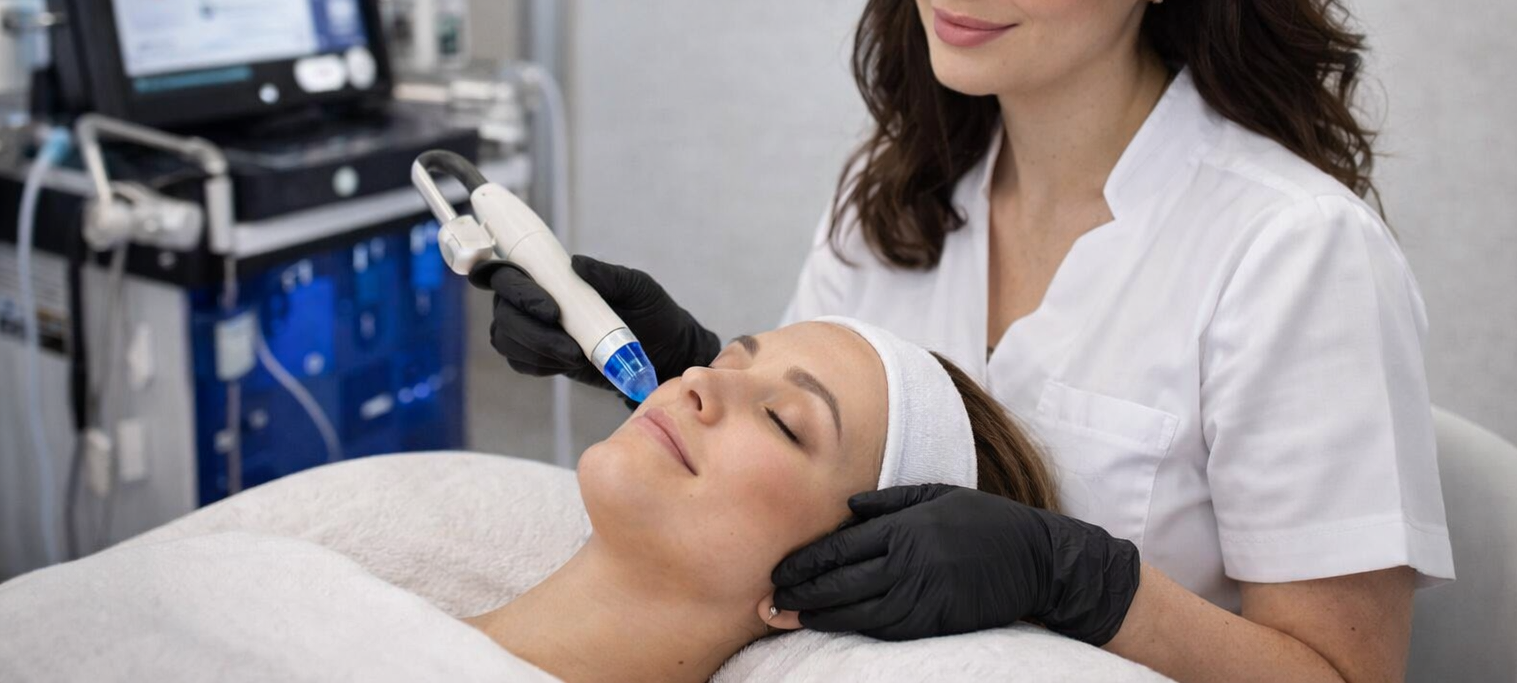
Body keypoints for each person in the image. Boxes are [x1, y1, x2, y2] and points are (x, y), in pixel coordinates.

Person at [483, 0, 1453, 683]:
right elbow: (814, 506)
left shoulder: (1293, 253)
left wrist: (1083, 581)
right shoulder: (895, 193)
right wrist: (685, 364)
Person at [0, 319, 1086, 683]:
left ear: (841, 575)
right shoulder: (276, 588)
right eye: (733, 353)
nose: (700, 378)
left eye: (786, 420)